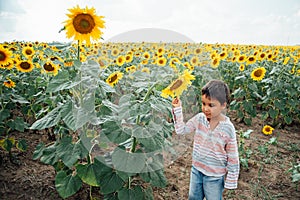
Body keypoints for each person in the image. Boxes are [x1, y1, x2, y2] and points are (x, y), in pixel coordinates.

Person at [171, 79, 240, 200]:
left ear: (223, 105)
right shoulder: (200, 119)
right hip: (196, 170)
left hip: (215, 176)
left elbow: (233, 156)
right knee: (193, 197)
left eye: (211, 105)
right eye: (203, 104)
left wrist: (231, 180)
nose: (206, 109)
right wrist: (178, 109)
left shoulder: (228, 128)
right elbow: (181, 130)